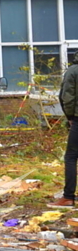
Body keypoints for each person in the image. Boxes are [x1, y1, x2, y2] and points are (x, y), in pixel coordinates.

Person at [51, 52, 78, 208]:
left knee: (71, 157)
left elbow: (67, 97)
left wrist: (69, 116)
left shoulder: (73, 71)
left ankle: (68, 197)